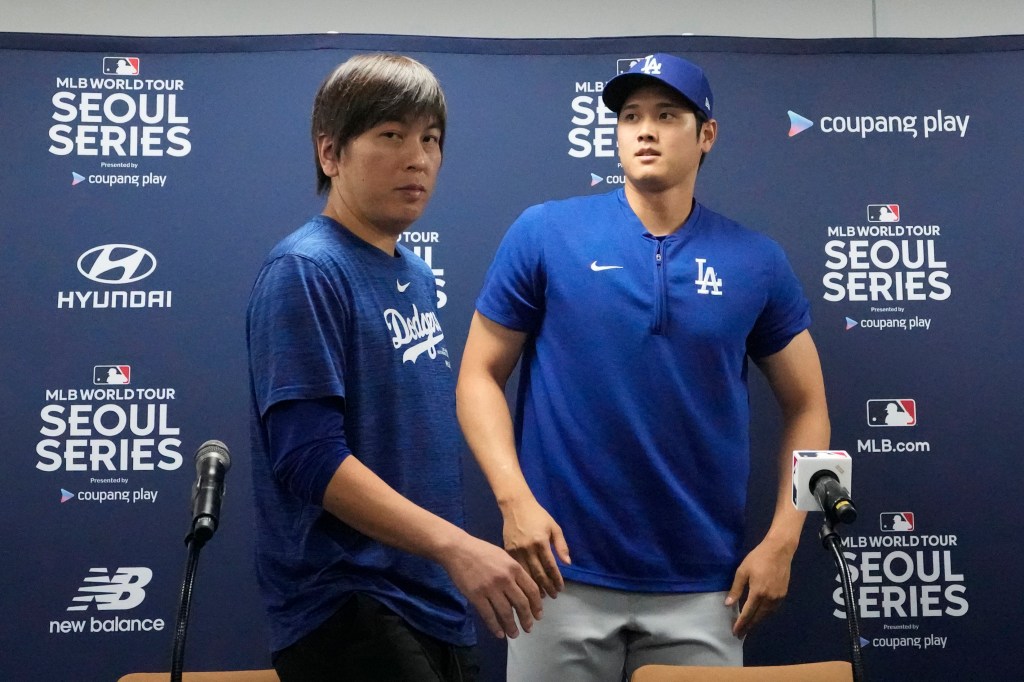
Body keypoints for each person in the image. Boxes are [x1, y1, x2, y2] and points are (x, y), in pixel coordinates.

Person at [456, 53, 830, 680]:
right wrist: (512, 499)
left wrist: (783, 541)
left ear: (706, 134)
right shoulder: (545, 232)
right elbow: (477, 376)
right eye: (630, 117)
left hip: (703, 589)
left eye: (666, 115)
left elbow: (811, 406)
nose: (645, 130)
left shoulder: (756, 260)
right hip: (558, 578)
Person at [246, 53, 541, 682]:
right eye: (391, 135)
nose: (419, 158)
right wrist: (455, 545)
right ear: (330, 153)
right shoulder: (306, 269)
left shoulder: (413, 272)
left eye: (430, 139)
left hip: (431, 599)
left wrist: (444, 559)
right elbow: (307, 457)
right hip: (349, 603)